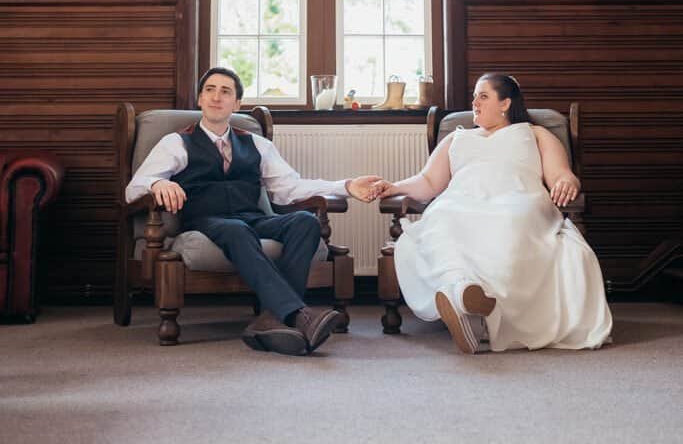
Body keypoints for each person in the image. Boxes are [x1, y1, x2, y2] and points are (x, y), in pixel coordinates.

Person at [126, 66, 379, 357]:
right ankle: (297, 315)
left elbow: (289, 188)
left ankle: (272, 319)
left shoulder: (257, 144)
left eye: (225, 92)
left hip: (253, 217)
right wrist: (157, 183)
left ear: (236, 104)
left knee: (305, 222)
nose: (216, 97)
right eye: (210, 90)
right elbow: (133, 190)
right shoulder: (176, 142)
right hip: (206, 220)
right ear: (200, 99)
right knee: (237, 229)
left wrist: (346, 185)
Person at [369, 73, 613, 354]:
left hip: (518, 200)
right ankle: (465, 293)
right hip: (461, 201)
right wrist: (394, 187)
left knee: (510, 222)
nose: (475, 102)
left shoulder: (534, 134)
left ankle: (477, 311)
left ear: (505, 103)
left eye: (483, 96)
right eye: (474, 97)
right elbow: (428, 182)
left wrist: (566, 183)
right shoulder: (456, 138)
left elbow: (561, 174)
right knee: (441, 219)